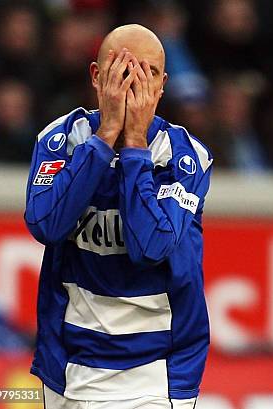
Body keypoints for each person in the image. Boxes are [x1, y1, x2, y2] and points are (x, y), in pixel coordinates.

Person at [24, 24, 213, 409]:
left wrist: (134, 149)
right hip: (66, 367)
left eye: (148, 74)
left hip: (155, 372)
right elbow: (46, 225)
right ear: (97, 76)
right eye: (123, 71)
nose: (136, 86)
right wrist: (105, 136)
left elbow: (152, 246)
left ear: (162, 86)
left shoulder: (185, 157)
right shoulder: (60, 139)